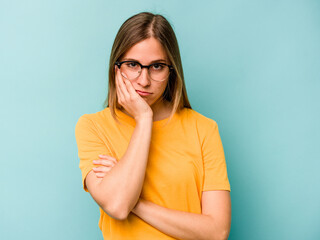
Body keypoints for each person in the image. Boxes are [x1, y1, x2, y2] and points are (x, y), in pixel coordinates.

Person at [75, 12, 231, 240]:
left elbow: (217, 232)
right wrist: (144, 119)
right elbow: (118, 207)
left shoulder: (204, 129)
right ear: (116, 68)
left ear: (172, 70)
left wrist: (136, 204)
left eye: (157, 66)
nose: (144, 80)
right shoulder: (93, 127)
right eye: (132, 65)